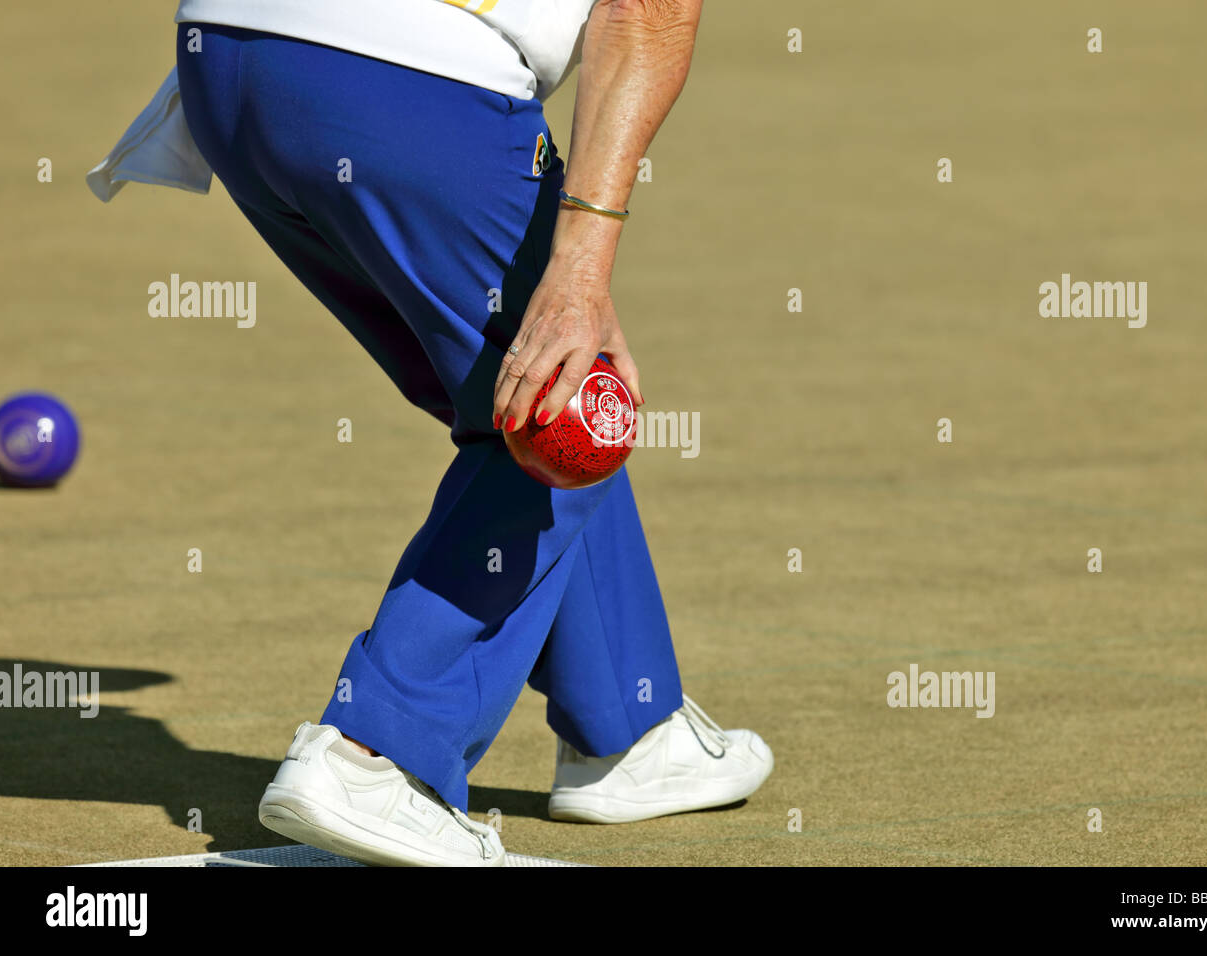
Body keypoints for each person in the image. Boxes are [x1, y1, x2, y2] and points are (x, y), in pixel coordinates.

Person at [172, 0, 773, 866]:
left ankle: (630, 728)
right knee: (555, 400)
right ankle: (377, 755)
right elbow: (649, 11)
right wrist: (579, 265)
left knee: (521, 401)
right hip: (406, 81)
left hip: (232, 67)